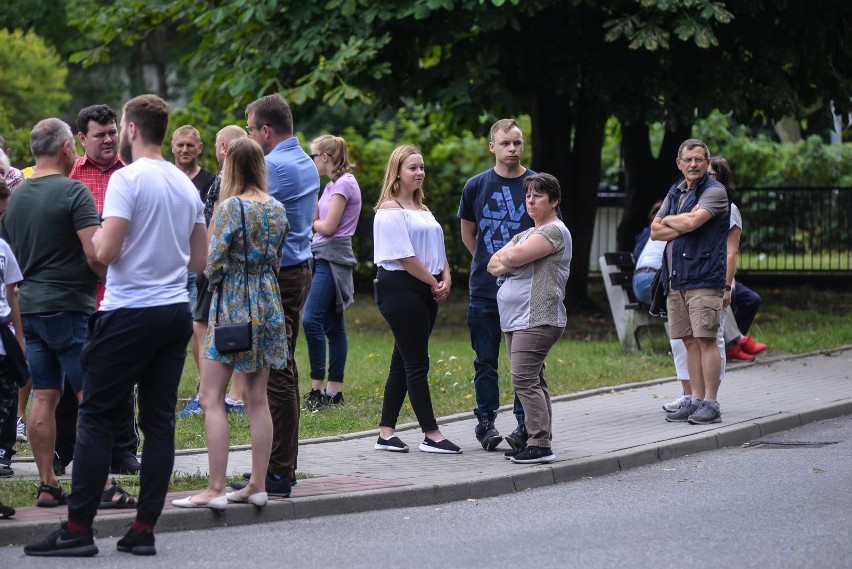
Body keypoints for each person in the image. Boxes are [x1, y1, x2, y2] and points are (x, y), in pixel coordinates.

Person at [24, 94, 207, 557]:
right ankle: (143, 530)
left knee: (97, 416)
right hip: (173, 313)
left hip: (128, 311)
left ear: (130, 128)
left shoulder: (127, 179)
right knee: (159, 421)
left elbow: (104, 252)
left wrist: (97, 232)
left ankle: (78, 529)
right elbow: (201, 259)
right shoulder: (185, 185)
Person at [173, 137, 289, 510]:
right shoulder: (277, 208)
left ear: (231, 168)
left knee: (211, 398)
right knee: (257, 399)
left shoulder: (228, 208)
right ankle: (257, 484)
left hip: (233, 307)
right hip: (269, 305)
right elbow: (278, 260)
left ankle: (216, 488)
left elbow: (210, 264)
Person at [0, 118, 105, 509]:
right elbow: (94, 252)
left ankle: (47, 483)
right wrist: (109, 274)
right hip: (70, 309)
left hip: (30, 310)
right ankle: (94, 484)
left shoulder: (17, 196)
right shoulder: (74, 192)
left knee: (43, 395)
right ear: (65, 147)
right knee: (89, 395)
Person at [232, 94, 318, 497]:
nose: (250, 136)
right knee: (284, 368)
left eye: (251, 129)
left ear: (266, 131)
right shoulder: (303, 159)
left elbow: (243, 209)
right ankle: (282, 466)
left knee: (277, 372)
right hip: (298, 269)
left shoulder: (276, 167)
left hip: (279, 275)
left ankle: (277, 472)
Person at [55, 103, 140, 479]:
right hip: (78, 293)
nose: (108, 140)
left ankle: (123, 450)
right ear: (81, 138)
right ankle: (65, 449)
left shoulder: (133, 176)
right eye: (99, 134)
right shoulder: (69, 179)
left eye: (111, 132)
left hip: (122, 291)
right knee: (72, 374)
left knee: (121, 375)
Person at [372, 145, 460, 454]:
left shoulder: (423, 209)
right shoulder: (389, 209)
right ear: (397, 172)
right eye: (413, 167)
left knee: (402, 361)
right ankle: (431, 434)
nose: (420, 172)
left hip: (426, 288)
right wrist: (434, 280)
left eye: (422, 167)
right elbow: (405, 257)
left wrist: (446, 277)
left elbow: (438, 249)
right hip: (400, 288)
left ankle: (385, 433)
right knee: (417, 363)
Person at [458, 118, 535, 452]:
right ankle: (485, 423)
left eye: (517, 143)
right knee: (485, 360)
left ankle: (525, 425)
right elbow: (468, 233)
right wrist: (493, 264)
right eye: (506, 143)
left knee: (526, 362)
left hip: (526, 289)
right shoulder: (476, 185)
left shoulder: (536, 183)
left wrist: (515, 266)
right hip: (485, 289)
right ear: (492, 146)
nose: (513, 149)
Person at [487, 173, 572, 464]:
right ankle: (539, 439)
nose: (531, 200)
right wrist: (512, 257)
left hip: (538, 316)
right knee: (533, 378)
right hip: (517, 317)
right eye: (528, 196)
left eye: (538, 196)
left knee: (523, 378)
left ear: (554, 201)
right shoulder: (525, 233)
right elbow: (492, 264)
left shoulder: (554, 231)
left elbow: (509, 259)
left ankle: (539, 444)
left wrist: (511, 257)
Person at [651, 139, 729, 426]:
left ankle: (711, 402)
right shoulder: (677, 189)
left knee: (706, 339)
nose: (694, 164)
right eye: (688, 160)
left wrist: (672, 221)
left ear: (707, 163)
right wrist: (680, 222)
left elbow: (694, 224)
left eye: (699, 159)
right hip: (676, 278)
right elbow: (654, 231)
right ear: (679, 163)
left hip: (704, 277)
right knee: (687, 340)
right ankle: (695, 399)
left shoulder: (715, 191)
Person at [178, 125, 249, 418]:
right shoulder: (249, 177)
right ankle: (234, 395)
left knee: (202, 325)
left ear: (222, 148)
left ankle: (210, 395)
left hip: (216, 262)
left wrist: (206, 262)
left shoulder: (223, 178)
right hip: (240, 265)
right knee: (235, 328)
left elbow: (217, 221)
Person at [302, 135, 361, 410]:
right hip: (321, 255)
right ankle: (333, 392)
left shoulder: (345, 183)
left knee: (310, 319)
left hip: (332, 258)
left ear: (325, 157)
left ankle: (318, 388)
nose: (311, 161)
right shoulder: (329, 186)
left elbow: (327, 227)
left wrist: (311, 222)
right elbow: (317, 219)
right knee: (332, 325)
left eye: (313, 156)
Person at [0, 194, 25, 480]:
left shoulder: (4, 248)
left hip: (3, 345)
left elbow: (12, 297)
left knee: (4, 405)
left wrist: (19, 341)